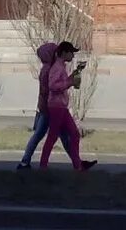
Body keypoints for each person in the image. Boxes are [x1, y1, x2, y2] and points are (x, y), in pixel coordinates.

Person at [15, 41, 78, 170]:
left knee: (51, 135)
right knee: (57, 135)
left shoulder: (48, 68)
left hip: (47, 106)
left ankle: (26, 161)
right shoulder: (50, 69)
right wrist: (68, 83)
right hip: (51, 107)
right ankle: (76, 162)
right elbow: (50, 88)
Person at [39, 41, 93, 171]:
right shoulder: (57, 67)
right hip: (56, 106)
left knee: (74, 134)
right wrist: (69, 83)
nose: (72, 56)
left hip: (61, 106)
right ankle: (43, 166)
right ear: (64, 53)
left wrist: (72, 77)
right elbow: (53, 86)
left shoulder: (61, 66)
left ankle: (77, 165)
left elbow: (62, 82)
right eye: (71, 53)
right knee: (53, 137)